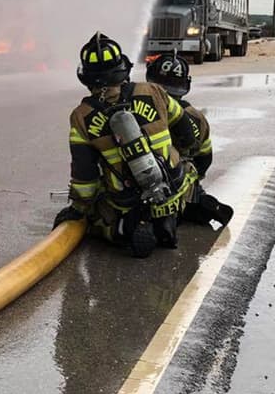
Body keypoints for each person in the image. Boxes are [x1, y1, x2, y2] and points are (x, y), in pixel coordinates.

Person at [54, 33, 202, 258]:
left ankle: (124, 229)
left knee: (94, 218)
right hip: (174, 191)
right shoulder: (153, 92)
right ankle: (184, 208)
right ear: (123, 69)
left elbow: (85, 178)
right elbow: (188, 134)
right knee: (188, 174)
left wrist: (78, 210)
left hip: (129, 204)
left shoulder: (81, 117)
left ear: (85, 77)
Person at [144, 54, 234, 228]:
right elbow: (204, 160)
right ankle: (199, 202)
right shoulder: (197, 118)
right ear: (185, 85)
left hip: (143, 183)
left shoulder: (138, 107)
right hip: (180, 184)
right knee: (192, 189)